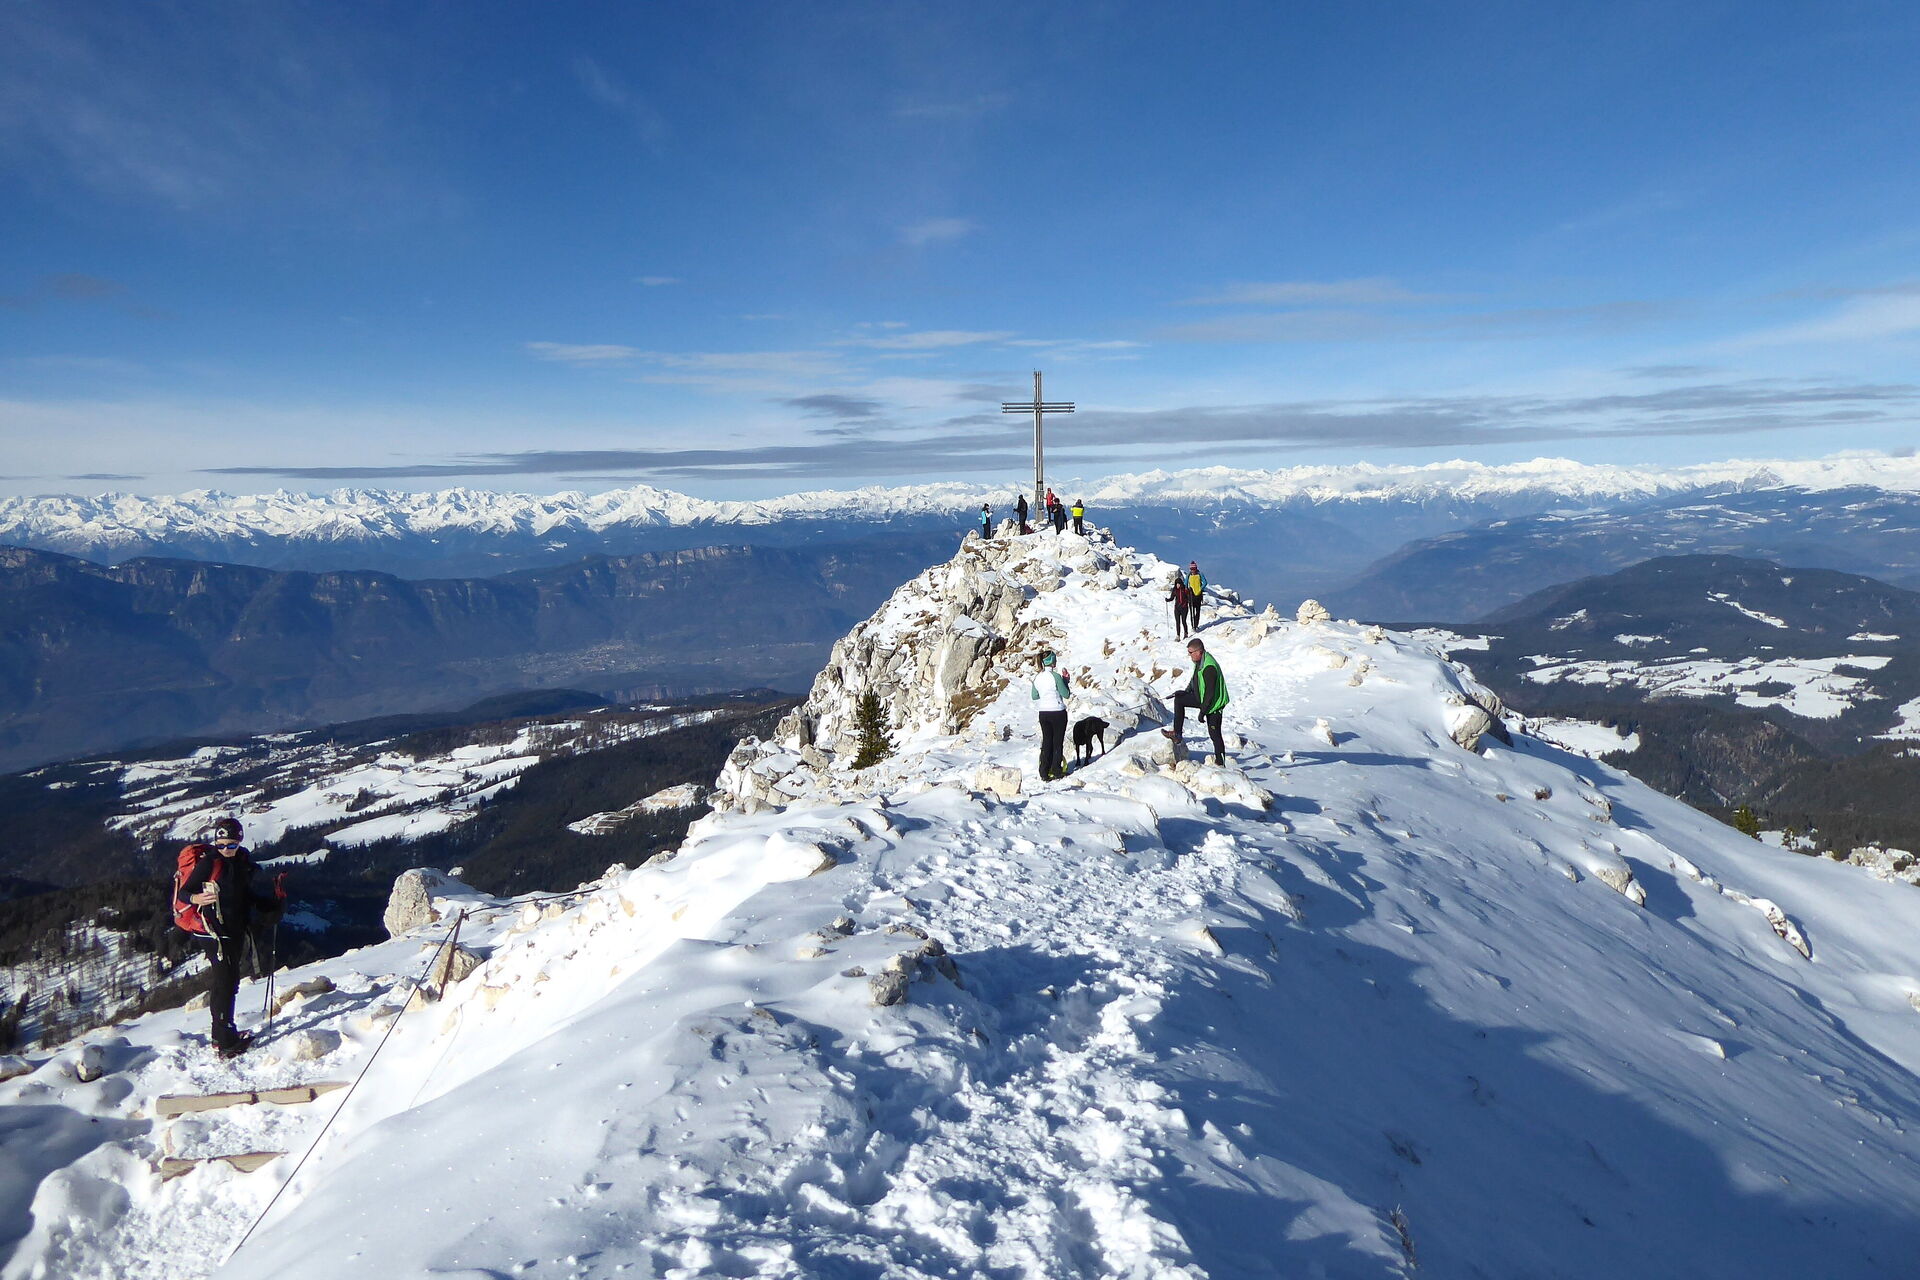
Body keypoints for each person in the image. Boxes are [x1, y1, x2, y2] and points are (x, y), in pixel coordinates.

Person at [177, 817, 282, 1057]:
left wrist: (269, 905)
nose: (225, 849)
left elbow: (244, 894)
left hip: (233, 929)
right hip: (213, 932)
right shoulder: (210, 862)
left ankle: (225, 1033)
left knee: (228, 982)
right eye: (221, 844)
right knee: (225, 983)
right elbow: (184, 892)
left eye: (231, 845)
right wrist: (195, 899)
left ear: (239, 842)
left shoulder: (241, 862)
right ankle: (224, 1042)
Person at [1162, 638, 1229, 765]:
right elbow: (1195, 680)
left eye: (1191, 652)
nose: (1189, 655)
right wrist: (1185, 692)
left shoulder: (1209, 667)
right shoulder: (1199, 662)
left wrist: (1202, 712)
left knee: (1214, 734)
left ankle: (1221, 763)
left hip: (1214, 704)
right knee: (1179, 699)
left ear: (1199, 651)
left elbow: (1210, 693)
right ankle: (1177, 734)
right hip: (1203, 699)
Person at [1029, 649, 1071, 780]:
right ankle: (1056, 770)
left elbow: (1034, 696)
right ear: (1052, 661)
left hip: (1043, 712)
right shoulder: (1056, 676)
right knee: (1057, 742)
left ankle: (1044, 771)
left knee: (1047, 742)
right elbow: (1066, 694)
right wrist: (1065, 681)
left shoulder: (1038, 677)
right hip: (1057, 712)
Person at [1167, 572, 1192, 639]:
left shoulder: (1185, 589)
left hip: (1184, 608)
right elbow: (1172, 598)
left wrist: (1189, 595)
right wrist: (1168, 600)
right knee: (1177, 622)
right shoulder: (1175, 590)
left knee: (1183, 621)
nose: (1177, 585)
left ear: (1181, 583)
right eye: (1176, 584)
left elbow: (1189, 597)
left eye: (1179, 584)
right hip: (1177, 608)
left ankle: (1186, 633)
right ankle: (1178, 636)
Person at [1185, 561, 1206, 632]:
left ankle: (1196, 625)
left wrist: (1200, 589)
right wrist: (1187, 590)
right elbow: (1185, 583)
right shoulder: (1188, 575)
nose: (1192, 570)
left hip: (1198, 595)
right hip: (1191, 595)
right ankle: (1193, 626)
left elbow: (1205, 582)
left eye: (1194, 569)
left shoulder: (1200, 574)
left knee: (1197, 611)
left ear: (1196, 568)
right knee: (1192, 611)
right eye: (1191, 569)